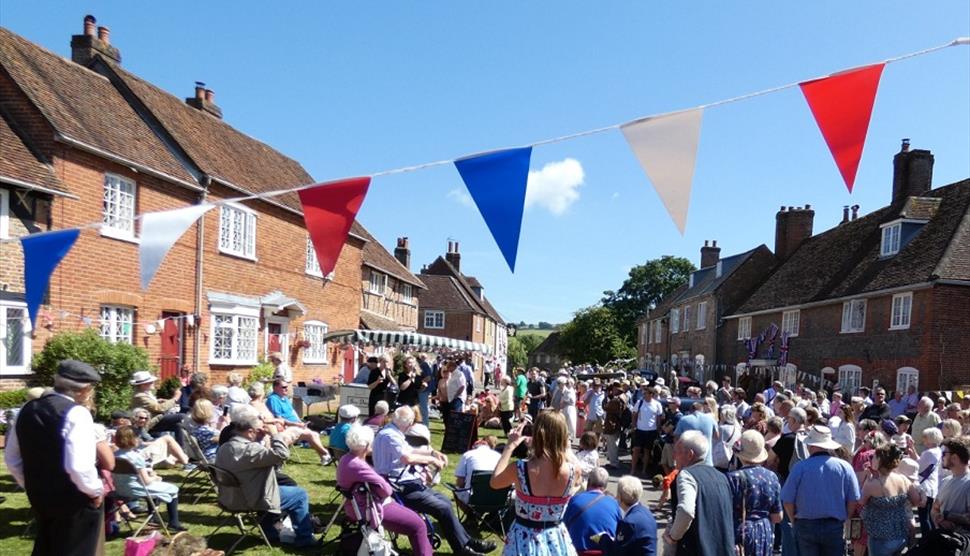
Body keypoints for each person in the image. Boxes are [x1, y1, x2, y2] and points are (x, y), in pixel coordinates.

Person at [5, 360, 105, 555]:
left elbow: (12, 458)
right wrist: (95, 490)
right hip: (74, 499)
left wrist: (31, 484)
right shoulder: (77, 414)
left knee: (46, 547)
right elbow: (78, 466)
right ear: (84, 390)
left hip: (40, 495)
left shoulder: (27, 409)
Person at [373, 406, 494, 556]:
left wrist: (433, 452)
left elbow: (409, 450)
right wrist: (431, 460)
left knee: (445, 502)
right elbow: (407, 458)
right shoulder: (390, 435)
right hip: (398, 487)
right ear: (409, 423)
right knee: (442, 508)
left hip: (407, 483)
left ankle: (467, 542)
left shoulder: (392, 432)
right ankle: (462, 549)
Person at [216, 404, 318, 548]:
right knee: (299, 495)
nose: (261, 432)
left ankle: (270, 532)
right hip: (250, 500)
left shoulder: (224, 448)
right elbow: (282, 454)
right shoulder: (250, 450)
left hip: (229, 497)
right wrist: (275, 434)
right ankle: (304, 538)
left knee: (280, 487)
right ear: (250, 431)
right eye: (259, 430)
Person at [491, 411, 581, 556]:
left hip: (523, 539)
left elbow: (495, 482)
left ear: (537, 433)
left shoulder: (521, 468)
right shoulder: (573, 471)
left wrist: (509, 446)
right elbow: (578, 480)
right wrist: (567, 449)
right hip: (557, 538)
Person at [337, 424, 432, 556]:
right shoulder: (358, 465)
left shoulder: (345, 459)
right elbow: (387, 490)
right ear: (366, 445)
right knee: (419, 525)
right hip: (369, 509)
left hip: (355, 506)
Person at [780, 425, 861, 556]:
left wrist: (794, 520)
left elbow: (787, 500)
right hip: (835, 527)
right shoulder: (845, 467)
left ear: (811, 446)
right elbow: (854, 499)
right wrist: (847, 518)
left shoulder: (799, 467)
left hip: (805, 525)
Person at [662, 430, 735, 555]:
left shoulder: (687, 475)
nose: (674, 456)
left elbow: (686, 511)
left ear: (690, 455)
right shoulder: (721, 477)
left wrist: (673, 536)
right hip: (721, 548)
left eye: (677, 452)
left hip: (696, 548)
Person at [113, 425, 186, 531]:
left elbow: (130, 472)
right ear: (133, 439)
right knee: (173, 489)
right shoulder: (136, 457)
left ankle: (153, 519)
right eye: (138, 437)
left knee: (155, 489)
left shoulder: (115, 455)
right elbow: (146, 481)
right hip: (136, 490)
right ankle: (174, 522)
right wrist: (155, 478)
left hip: (120, 490)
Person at [859, 443, 922, 556]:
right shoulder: (903, 479)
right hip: (901, 536)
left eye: (874, 456)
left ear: (879, 460)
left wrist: (865, 477)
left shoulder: (872, 483)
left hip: (880, 538)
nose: (871, 458)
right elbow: (916, 501)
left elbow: (860, 502)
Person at [726, 430, 783, 556]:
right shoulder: (772, 477)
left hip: (740, 533)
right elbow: (777, 516)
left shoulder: (732, 478)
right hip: (764, 532)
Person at [264, 379, 332, 464]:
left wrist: (300, 422)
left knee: (315, 434)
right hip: (286, 427)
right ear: (275, 388)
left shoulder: (284, 398)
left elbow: (292, 412)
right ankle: (326, 453)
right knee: (311, 435)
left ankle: (324, 457)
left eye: (287, 387)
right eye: (284, 387)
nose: (286, 389)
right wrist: (296, 424)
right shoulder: (273, 399)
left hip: (295, 425)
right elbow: (279, 419)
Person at [564, 467, 623, 556]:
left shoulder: (575, 500)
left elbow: (564, 525)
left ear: (589, 481)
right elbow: (619, 530)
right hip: (605, 552)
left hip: (578, 552)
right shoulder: (614, 503)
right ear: (605, 486)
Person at [602, 475, 657, 555]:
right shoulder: (647, 513)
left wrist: (603, 539)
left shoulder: (628, 523)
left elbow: (616, 553)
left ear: (620, 497)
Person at [129, 370, 186, 445]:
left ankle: (181, 450)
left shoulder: (145, 393)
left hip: (156, 420)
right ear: (143, 384)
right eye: (150, 382)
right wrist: (175, 398)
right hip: (150, 422)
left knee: (178, 426)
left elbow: (152, 405)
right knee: (182, 416)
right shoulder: (139, 396)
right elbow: (159, 408)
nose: (153, 383)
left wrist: (159, 401)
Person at [931, 436, 970, 535]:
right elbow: (935, 509)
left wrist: (947, 516)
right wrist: (940, 520)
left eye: (944, 453)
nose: (941, 457)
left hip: (963, 545)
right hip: (945, 541)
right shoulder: (945, 481)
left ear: (955, 457)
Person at [454, 437, 502, 504]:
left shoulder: (468, 454)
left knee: (456, 491)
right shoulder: (499, 456)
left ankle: (471, 514)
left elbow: (460, 481)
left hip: (473, 498)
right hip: (497, 499)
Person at [630, 385, 663, 476]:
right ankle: (633, 469)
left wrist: (658, 429)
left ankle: (644, 470)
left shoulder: (657, 404)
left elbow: (658, 418)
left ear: (651, 394)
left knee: (647, 451)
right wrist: (634, 426)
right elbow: (634, 414)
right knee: (636, 450)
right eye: (644, 393)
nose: (644, 395)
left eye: (646, 393)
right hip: (640, 430)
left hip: (651, 431)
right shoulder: (639, 402)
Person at [674, 401, 718, 467]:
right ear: (702, 410)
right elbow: (716, 436)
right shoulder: (710, 419)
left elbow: (676, 439)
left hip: (688, 462)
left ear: (690, 410)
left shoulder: (683, 420)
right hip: (707, 460)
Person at [917, 427, 944, 535]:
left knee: (924, 518)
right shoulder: (938, 450)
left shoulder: (928, 453)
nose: (923, 439)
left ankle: (926, 541)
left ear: (930, 438)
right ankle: (932, 539)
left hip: (925, 487)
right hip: (933, 486)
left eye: (925, 437)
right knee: (929, 516)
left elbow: (918, 468)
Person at [714, 404, 742, 471]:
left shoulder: (721, 429)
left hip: (720, 460)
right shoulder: (738, 429)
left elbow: (714, 443)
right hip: (732, 459)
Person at [417, 354, 435, 427]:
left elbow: (428, 377)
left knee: (423, 409)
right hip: (424, 389)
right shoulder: (424, 365)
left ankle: (425, 426)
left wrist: (419, 382)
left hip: (424, 390)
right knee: (422, 409)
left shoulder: (423, 365)